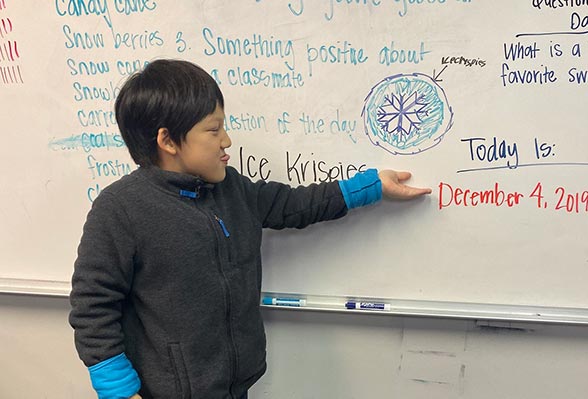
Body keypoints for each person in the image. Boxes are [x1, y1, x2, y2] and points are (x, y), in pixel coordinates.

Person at [69, 59, 431, 399]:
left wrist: (372, 186)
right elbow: (92, 305)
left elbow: (293, 205)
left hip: (237, 384)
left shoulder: (231, 189)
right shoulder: (121, 209)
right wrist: (118, 390)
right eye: (213, 130)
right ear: (167, 141)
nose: (226, 141)